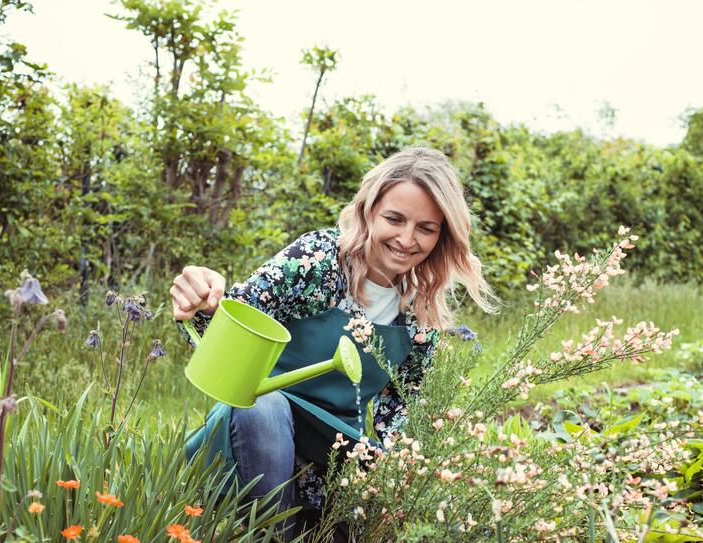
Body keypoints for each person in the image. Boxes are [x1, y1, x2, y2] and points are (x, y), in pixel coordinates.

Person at [171, 147, 497, 539]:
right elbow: (228, 327)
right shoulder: (318, 261)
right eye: (394, 219)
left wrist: (417, 473)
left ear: (442, 235)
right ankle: (274, 533)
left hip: (331, 462)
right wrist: (199, 302)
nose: (407, 239)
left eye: (426, 228)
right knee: (265, 404)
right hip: (248, 447)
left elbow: (402, 413)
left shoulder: (420, 311)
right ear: (368, 210)